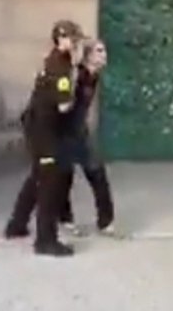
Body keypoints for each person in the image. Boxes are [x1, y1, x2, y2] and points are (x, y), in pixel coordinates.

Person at [5, 20, 84, 256]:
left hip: (38, 126)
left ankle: (16, 225)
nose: (76, 43)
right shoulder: (60, 67)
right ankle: (45, 241)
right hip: (44, 130)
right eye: (73, 39)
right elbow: (63, 106)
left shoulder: (56, 60)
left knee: (38, 176)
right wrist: (74, 93)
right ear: (61, 39)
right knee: (51, 183)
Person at [57, 39, 116, 236]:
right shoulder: (78, 75)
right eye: (99, 51)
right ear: (88, 56)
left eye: (104, 50)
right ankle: (65, 219)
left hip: (80, 132)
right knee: (64, 178)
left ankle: (106, 222)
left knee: (98, 175)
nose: (104, 55)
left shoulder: (94, 76)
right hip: (65, 132)